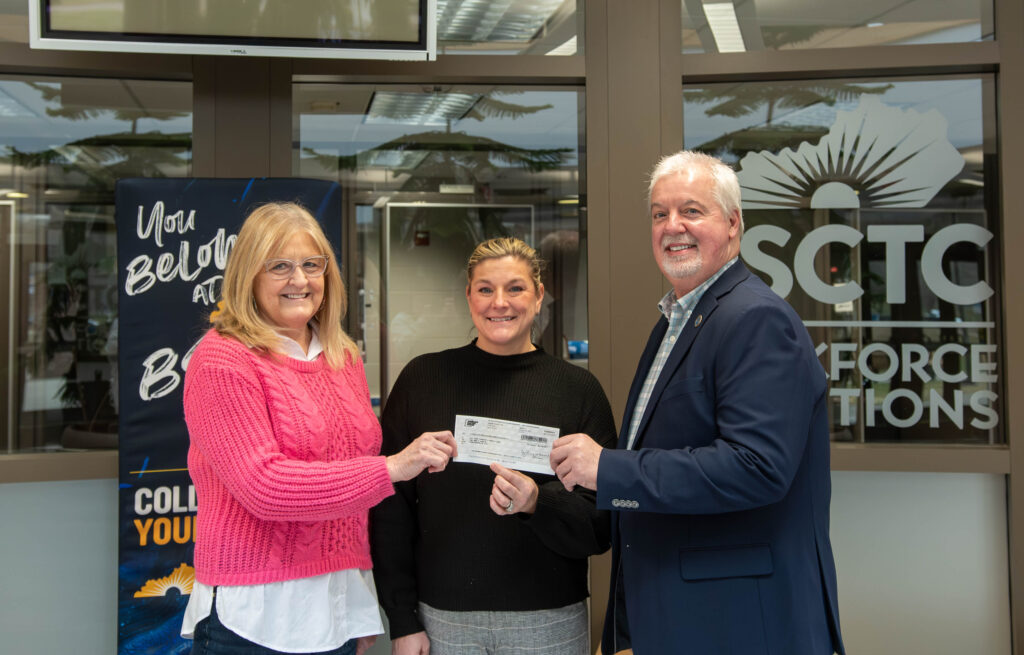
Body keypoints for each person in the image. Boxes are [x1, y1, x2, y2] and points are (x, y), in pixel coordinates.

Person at [549, 151, 845, 655]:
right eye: (660, 213)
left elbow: (756, 466)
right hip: (685, 612)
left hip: (741, 620)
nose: (672, 226)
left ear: (733, 224)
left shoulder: (755, 319)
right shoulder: (678, 319)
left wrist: (611, 469)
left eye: (691, 210)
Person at [180, 202, 457, 655]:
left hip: (335, 611)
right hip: (256, 619)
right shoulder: (223, 359)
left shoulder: (340, 354)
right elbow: (264, 487)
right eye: (280, 266)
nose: (300, 280)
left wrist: (359, 599)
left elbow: (351, 494)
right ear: (248, 274)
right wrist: (393, 468)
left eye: (312, 265)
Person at [371, 237, 617, 655]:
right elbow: (389, 510)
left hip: (549, 620)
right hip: (442, 621)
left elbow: (603, 525)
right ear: (468, 297)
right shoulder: (422, 381)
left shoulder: (578, 391)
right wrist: (402, 619)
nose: (499, 302)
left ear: (539, 296)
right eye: (485, 289)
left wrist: (539, 501)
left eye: (515, 288)